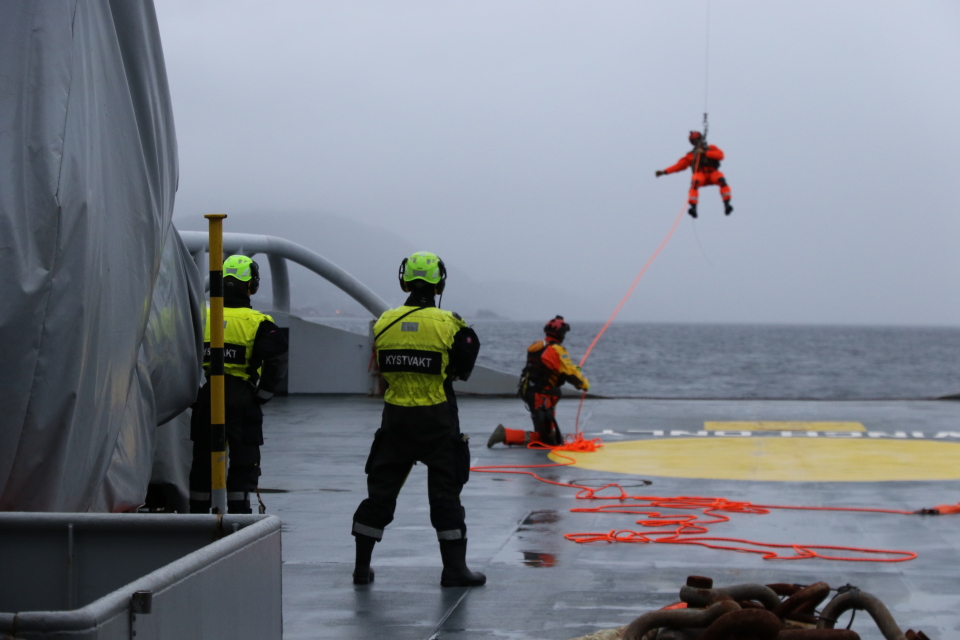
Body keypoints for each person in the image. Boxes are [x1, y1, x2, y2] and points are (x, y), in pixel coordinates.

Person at [351, 251, 485, 588]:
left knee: (380, 492)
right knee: (445, 494)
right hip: (437, 418)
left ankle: (361, 567)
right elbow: (464, 367)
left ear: (404, 280)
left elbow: (383, 365)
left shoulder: (384, 322)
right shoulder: (450, 324)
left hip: (396, 418)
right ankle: (454, 569)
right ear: (439, 282)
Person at [189, 255, 288, 514]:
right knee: (244, 459)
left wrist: (193, 395)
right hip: (242, 395)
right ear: (251, 286)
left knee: (203, 458)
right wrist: (262, 396)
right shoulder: (258, 322)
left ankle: (197, 515)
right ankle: (238, 514)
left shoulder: (203, 316)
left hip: (209, 393)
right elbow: (277, 360)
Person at [487, 316, 589, 448]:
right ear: (561, 334)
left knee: (548, 434)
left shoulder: (538, 346)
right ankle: (505, 434)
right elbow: (570, 373)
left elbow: (551, 367)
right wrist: (584, 384)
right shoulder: (557, 350)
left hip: (532, 391)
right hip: (542, 395)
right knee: (544, 438)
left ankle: (547, 436)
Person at [656, 131, 733, 218]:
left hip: (712, 172)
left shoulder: (711, 148)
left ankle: (727, 204)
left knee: (721, 180)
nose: (696, 142)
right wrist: (665, 171)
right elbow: (679, 166)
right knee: (694, 183)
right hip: (700, 174)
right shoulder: (691, 155)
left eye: (697, 140)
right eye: (693, 141)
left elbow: (720, 156)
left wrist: (705, 153)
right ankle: (693, 208)